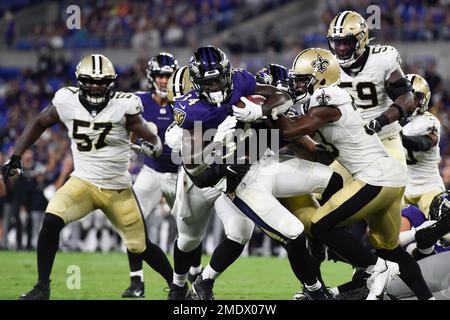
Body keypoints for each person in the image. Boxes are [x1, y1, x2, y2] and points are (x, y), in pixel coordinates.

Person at [1, 54, 173, 300]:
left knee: (140, 246)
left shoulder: (125, 105)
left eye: (102, 82)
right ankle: (42, 287)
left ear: (111, 82)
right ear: (80, 81)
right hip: (82, 182)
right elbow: (39, 121)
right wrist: (16, 155)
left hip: (117, 188)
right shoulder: (66, 100)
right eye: (90, 81)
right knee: (51, 221)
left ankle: (178, 288)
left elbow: (149, 134)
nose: (96, 86)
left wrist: (154, 144)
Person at [178, 45, 341, 300]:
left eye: (219, 80)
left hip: (265, 164)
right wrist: (218, 147)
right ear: (197, 84)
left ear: (228, 74)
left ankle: (334, 241)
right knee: (290, 231)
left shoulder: (241, 82)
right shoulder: (190, 111)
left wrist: (260, 110)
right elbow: (195, 170)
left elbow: (282, 97)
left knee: (333, 179)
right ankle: (316, 291)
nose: (216, 88)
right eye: (208, 83)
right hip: (238, 181)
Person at [274, 47, 433, 300]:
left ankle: (375, 268)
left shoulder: (327, 97)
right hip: (389, 177)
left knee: (320, 225)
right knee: (390, 249)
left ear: (322, 78)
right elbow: (320, 156)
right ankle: (428, 298)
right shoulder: (323, 101)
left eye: (302, 79)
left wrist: (267, 113)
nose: (296, 85)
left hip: (376, 177)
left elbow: (293, 130)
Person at [122, 52, 179, 298]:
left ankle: (193, 278)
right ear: (151, 77)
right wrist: (135, 145)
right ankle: (137, 282)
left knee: (188, 232)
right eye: (160, 75)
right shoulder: (139, 101)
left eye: (168, 75)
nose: (164, 80)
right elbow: (126, 134)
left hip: (181, 175)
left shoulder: (185, 101)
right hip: (152, 172)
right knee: (131, 222)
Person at [401, 74, 445, 216]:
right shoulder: (389, 120)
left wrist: (400, 138)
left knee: (442, 228)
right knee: (382, 233)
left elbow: (425, 142)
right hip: (402, 188)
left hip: (427, 186)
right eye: (403, 96)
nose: (406, 102)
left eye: (412, 98)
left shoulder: (428, 121)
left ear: (422, 100)